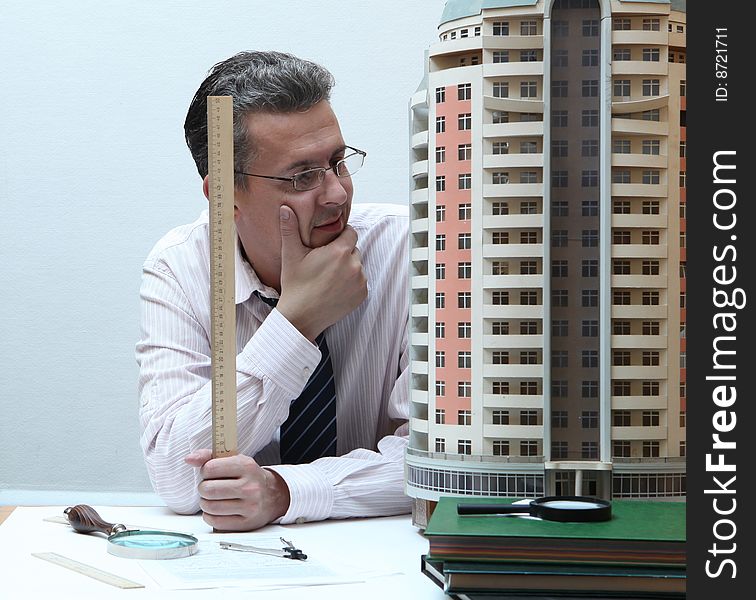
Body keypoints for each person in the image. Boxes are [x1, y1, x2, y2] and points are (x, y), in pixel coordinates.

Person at [136, 51, 411, 531]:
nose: (337, 194)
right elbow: (176, 479)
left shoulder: (415, 250)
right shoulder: (181, 266)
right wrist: (296, 324)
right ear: (224, 195)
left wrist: (284, 492)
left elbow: (443, 460)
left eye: (338, 162)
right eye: (303, 177)